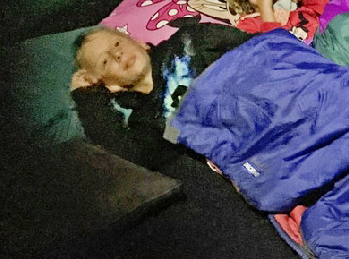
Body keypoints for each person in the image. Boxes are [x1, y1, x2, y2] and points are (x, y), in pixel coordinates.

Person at [71, 18, 248, 168]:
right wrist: (87, 98)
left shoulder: (190, 41)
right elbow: (129, 159)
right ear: (110, 86)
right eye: (105, 61)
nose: (117, 53)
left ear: (138, 42)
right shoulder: (147, 121)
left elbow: (260, 47)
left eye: (117, 43)